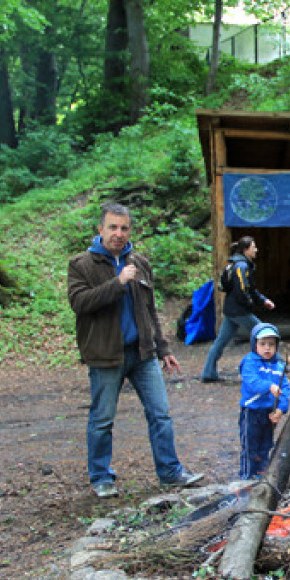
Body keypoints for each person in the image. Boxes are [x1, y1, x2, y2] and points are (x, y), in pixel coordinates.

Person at [67, 202, 204, 498]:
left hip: (142, 354)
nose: (118, 233)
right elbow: (80, 303)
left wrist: (163, 348)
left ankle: (170, 472)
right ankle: (101, 478)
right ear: (100, 229)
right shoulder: (82, 265)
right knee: (102, 419)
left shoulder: (139, 263)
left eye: (124, 228)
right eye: (112, 227)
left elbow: (149, 310)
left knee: (160, 414)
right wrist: (117, 283)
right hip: (106, 355)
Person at [201, 236, 275, 383]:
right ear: (246, 250)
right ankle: (275, 366)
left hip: (232, 310)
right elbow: (242, 290)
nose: (256, 250)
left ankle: (208, 373)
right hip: (239, 311)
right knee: (265, 333)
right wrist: (250, 304)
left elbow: (251, 289)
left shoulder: (241, 264)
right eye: (253, 247)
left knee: (221, 341)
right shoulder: (241, 266)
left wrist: (263, 300)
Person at [238, 323, 290, 481]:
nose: (267, 348)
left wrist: (281, 409)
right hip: (252, 411)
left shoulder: (279, 366)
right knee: (250, 446)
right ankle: (247, 477)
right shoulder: (250, 362)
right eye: (262, 344)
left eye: (271, 344)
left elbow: (285, 389)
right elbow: (252, 383)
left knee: (266, 445)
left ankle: (262, 475)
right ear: (255, 344)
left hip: (269, 411)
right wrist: (269, 386)